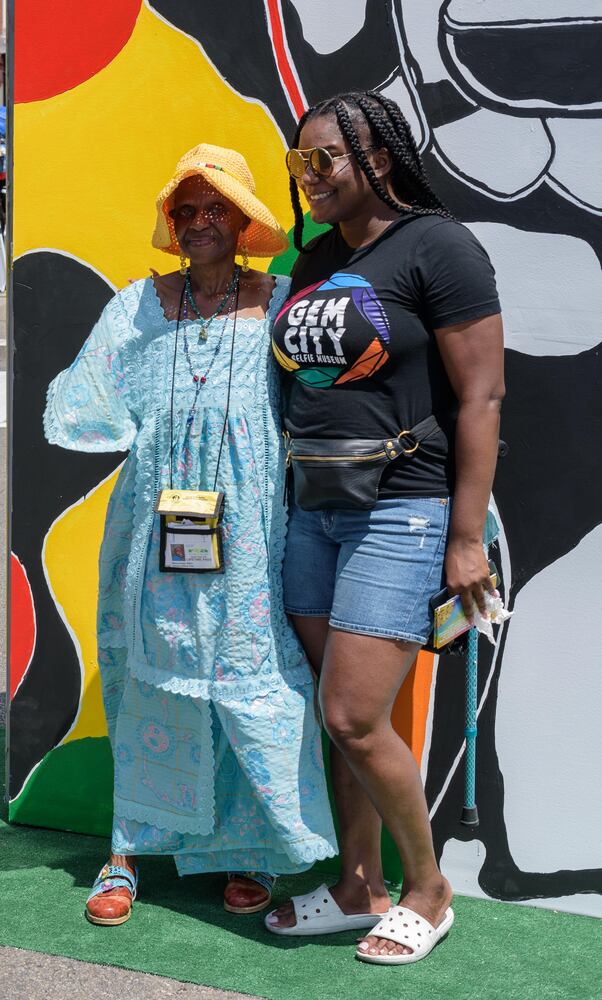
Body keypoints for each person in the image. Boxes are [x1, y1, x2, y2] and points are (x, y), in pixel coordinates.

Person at [44, 145, 337, 927]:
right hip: (157, 526)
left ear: (244, 221)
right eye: (186, 210)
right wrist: (139, 433)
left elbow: (331, 397)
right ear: (169, 224)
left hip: (255, 528)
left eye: (217, 209)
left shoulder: (280, 301)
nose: (201, 223)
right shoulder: (137, 305)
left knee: (252, 673)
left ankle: (245, 850)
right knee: (148, 677)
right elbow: (86, 395)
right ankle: (127, 850)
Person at [265, 92, 504, 966]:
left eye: (327, 158)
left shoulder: (438, 246)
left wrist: (466, 535)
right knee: (339, 717)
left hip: (404, 507)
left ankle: (428, 889)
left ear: (381, 159)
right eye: (302, 162)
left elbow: (480, 396)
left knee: (354, 712)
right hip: (316, 509)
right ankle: (354, 883)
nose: (312, 175)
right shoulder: (315, 257)